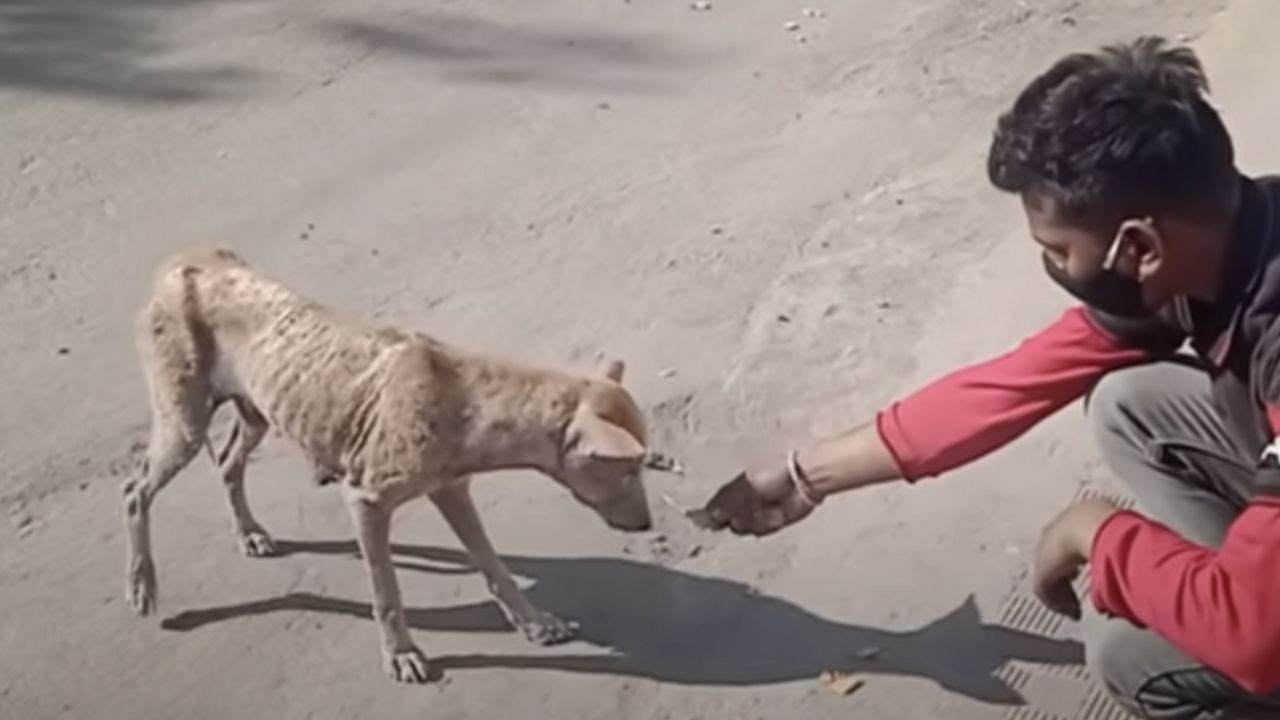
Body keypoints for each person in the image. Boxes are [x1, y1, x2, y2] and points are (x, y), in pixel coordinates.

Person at [701, 36, 1280, 720]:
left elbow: (1252, 641)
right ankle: (1244, 568)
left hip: (1259, 627)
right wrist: (804, 475)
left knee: (1127, 649)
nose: (1059, 269)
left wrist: (1095, 532)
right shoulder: (1225, 242)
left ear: (1141, 247)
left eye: (1060, 251)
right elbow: (1015, 385)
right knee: (1130, 403)